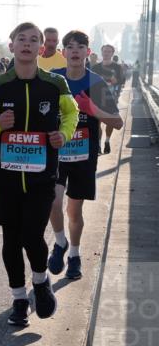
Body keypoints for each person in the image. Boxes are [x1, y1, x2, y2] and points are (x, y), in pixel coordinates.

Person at [0, 22, 78, 327]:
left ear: (43, 49)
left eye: (35, 40)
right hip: (5, 179)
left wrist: (63, 133)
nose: (28, 44)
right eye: (23, 39)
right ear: (12, 45)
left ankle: (41, 282)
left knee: (32, 235)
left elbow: (71, 114)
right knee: (10, 240)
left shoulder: (55, 84)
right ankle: (19, 299)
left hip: (42, 177)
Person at [47, 31, 122, 280]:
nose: (75, 50)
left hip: (83, 154)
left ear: (88, 52)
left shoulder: (96, 82)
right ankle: (60, 243)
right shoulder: (53, 79)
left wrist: (93, 109)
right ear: (63, 52)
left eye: (80, 47)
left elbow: (118, 122)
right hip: (56, 153)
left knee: (74, 212)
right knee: (53, 202)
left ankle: (75, 254)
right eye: (70, 46)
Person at [90, 44, 125, 155]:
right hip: (97, 99)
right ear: (102, 52)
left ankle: (107, 141)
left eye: (109, 51)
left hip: (111, 99)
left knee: (110, 121)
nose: (106, 53)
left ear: (112, 53)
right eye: (105, 51)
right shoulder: (95, 67)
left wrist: (116, 81)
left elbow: (122, 80)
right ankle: (99, 145)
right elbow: (90, 82)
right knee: (97, 123)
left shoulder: (117, 67)